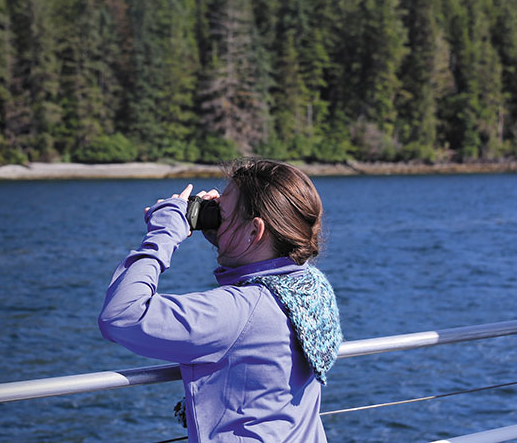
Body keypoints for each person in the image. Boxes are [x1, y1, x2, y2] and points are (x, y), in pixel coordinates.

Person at [99, 158, 342, 443]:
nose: (215, 217)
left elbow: (122, 315)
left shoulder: (241, 311)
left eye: (221, 215)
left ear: (255, 231)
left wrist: (165, 232)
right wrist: (227, 231)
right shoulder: (309, 287)